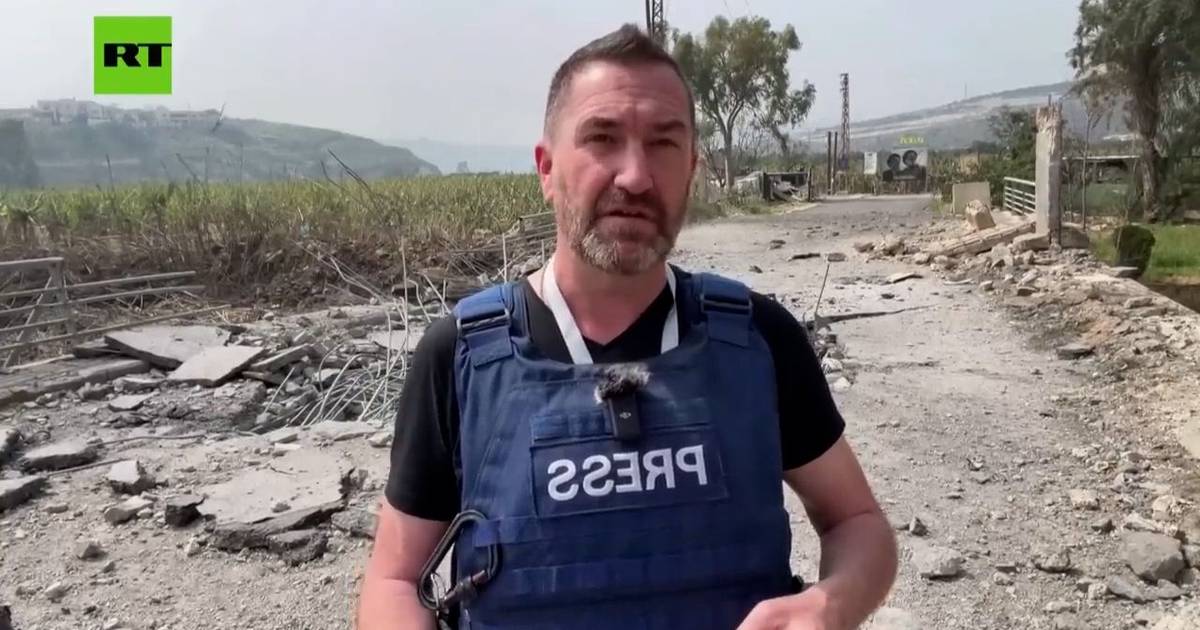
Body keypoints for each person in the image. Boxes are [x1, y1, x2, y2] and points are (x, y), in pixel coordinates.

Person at [357, 23, 897, 630]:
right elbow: (394, 579)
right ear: (546, 169)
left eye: (663, 144)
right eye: (602, 138)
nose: (635, 176)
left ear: (691, 169)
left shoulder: (760, 340)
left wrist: (828, 606)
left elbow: (857, 523)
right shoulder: (461, 357)